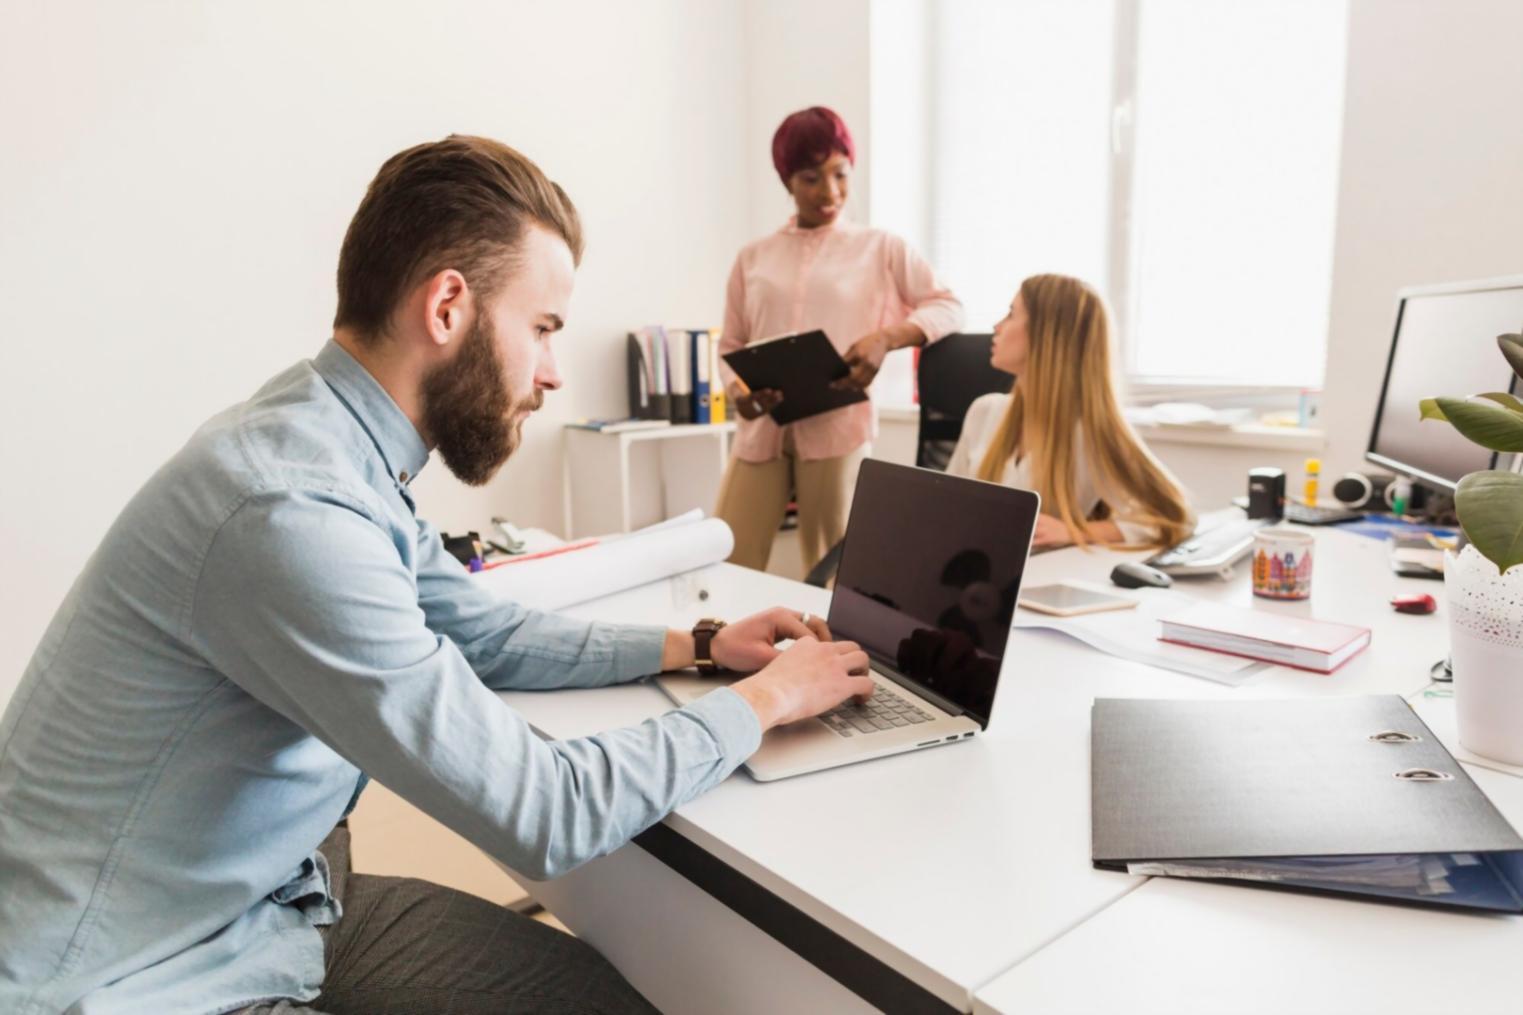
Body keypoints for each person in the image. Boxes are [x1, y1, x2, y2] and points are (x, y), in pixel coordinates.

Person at [0, 135, 876, 1015]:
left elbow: (485, 631)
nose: (551, 372)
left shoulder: (330, 444)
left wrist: (698, 643)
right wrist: (768, 701)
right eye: (540, 329)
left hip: (271, 905)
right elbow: (546, 809)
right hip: (138, 975)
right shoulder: (290, 509)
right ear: (449, 306)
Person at [716, 106, 963, 573]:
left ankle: (828, 647)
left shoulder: (882, 248)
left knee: (834, 573)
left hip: (838, 425)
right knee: (726, 559)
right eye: (811, 178)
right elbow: (731, 344)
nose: (830, 192)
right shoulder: (753, 258)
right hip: (761, 427)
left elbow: (948, 306)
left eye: (840, 174)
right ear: (787, 180)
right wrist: (738, 393)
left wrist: (886, 338)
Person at [947, 274, 1194, 550]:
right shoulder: (985, 411)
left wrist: (1074, 531)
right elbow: (946, 505)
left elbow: (1172, 518)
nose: (997, 326)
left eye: (1011, 314)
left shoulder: (1093, 434)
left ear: (1046, 334)